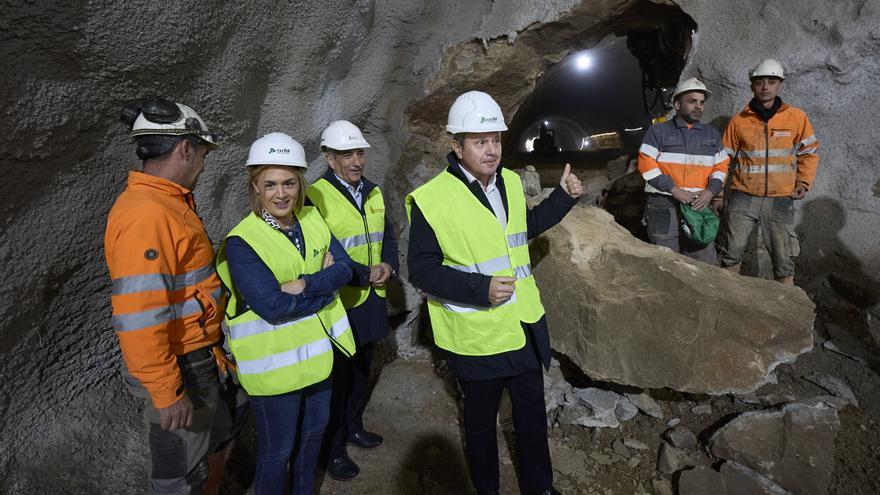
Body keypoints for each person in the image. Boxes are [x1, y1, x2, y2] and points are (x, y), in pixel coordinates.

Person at [406, 90, 582, 495]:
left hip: (522, 325)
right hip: (478, 338)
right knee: (481, 426)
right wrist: (479, 288)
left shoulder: (510, 182)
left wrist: (563, 198)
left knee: (532, 420)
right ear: (457, 146)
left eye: (496, 140)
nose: (491, 150)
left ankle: (540, 488)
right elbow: (423, 270)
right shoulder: (432, 200)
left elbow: (522, 229)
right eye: (480, 142)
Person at [105, 97, 244, 494]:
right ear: (185, 148)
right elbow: (139, 315)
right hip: (179, 366)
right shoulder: (147, 216)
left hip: (197, 355)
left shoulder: (166, 204)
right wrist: (167, 393)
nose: (203, 164)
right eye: (202, 154)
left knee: (213, 445)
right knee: (179, 477)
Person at [214, 132, 357, 495]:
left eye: (289, 183)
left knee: (311, 440)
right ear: (256, 187)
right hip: (274, 372)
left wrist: (306, 283)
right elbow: (273, 307)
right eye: (271, 184)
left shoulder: (311, 218)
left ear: (300, 184)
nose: (281, 194)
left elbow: (345, 269)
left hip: (318, 359)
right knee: (277, 453)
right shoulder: (243, 242)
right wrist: (325, 287)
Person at [306, 120, 399, 480]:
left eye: (359, 153)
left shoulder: (373, 192)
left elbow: (387, 235)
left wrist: (388, 265)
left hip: (370, 300)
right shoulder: (315, 197)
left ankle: (353, 428)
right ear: (330, 159)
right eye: (347, 155)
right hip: (339, 304)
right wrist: (365, 273)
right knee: (336, 382)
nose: (356, 161)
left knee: (361, 374)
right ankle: (332, 451)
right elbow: (326, 251)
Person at [716, 59, 820, 284]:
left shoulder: (796, 117)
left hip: (780, 197)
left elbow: (809, 153)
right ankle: (727, 300)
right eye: (760, 82)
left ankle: (788, 304)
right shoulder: (739, 121)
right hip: (743, 196)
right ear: (752, 86)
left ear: (779, 85)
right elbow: (722, 161)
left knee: (784, 261)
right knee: (731, 253)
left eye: (771, 82)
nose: (765, 87)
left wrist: (803, 182)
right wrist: (718, 194)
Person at [637, 77, 730, 263]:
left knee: (702, 261)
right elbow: (646, 164)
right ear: (677, 105)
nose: (698, 107)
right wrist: (673, 189)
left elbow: (721, 167)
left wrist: (711, 192)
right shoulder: (658, 131)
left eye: (701, 102)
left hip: (697, 204)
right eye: (692, 101)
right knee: (664, 259)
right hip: (663, 203)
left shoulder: (711, 135)